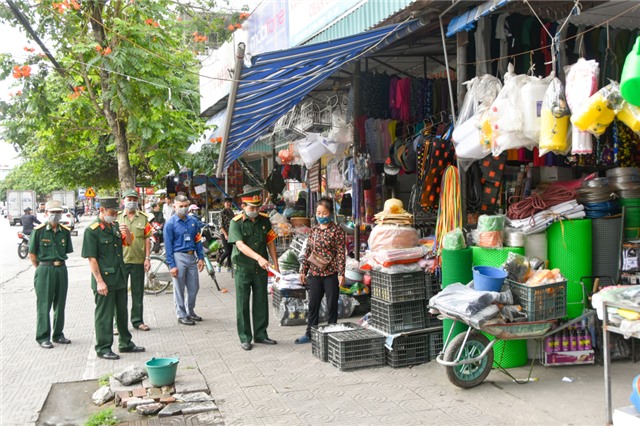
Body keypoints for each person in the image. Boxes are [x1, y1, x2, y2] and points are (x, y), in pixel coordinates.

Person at [82, 197, 145, 360]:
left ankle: (126, 343)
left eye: (116, 212)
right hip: (105, 279)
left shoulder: (115, 226)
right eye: (111, 212)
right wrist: (99, 281)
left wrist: (127, 234)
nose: (115, 215)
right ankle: (103, 347)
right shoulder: (92, 230)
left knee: (122, 313)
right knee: (105, 315)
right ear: (102, 210)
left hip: (120, 276)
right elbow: (92, 259)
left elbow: (129, 243)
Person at [228, 189, 280, 351]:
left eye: (258, 208)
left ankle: (261, 334)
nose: (255, 211)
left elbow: (270, 242)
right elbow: (240, 245)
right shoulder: (235, 222)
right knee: (243, 302)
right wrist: (258, 257)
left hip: (261, 268)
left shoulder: (264, 220)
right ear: (243, 206)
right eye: (251, 208)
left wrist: (276, 266)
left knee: (261, 301)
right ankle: (245, 337)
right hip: (243, 267)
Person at [295, 197, 346, 344]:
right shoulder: (314, 230)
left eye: (324, 213)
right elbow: (308, 251)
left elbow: (341, 253)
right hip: (315, 274)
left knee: (332, 305)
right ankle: (310, 333)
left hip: (331, 274)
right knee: (313, 304)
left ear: (330, 213)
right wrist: (303, 271)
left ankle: (332, 333)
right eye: (318, 212)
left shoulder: (337, 231)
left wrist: (341, 274)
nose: (321, 216)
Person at [28, 200, 73, 349]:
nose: (56, 215)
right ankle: (43, 337)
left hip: (61, 269)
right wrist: (41, 268)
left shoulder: (65, 231)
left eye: (58, 212)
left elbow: (66, 250)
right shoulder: (39, 231)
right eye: (53, 212)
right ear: (46, 213)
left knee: (60, 304)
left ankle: (58, 334)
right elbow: (32, 254)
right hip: (45, 269)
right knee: (44, 304)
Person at [163, 194, 205, 326]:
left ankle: (190, 311)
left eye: (186, 206)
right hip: (178, 256)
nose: (184, 208)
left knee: (194, 287)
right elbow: (168, 246)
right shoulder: (170, 224)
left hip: (192, 256)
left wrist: (201, 257)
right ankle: (181, 314)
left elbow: (197, 240)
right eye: (181, 206)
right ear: (174, 206)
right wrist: (172, 265)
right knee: (179, 288)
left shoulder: (193, 221)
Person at [117, 189, 153, 332]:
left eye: (134, 199)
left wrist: (147, 258)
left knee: (138, 292)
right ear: (123, 201)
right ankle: (118, 323)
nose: (131, 202)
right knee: (120, 293)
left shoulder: (143, 218)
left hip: (138, 260)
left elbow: (147, 239)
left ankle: (137, 321)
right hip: (122, 261)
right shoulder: (117, 218)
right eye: (128, 199)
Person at [218, 198, 235, 272]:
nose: (229, 204)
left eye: (230, 202)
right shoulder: (222, 213)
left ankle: (229, 266)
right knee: (227, 251)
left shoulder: (231, 212)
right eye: (227, 202)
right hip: (224, 233)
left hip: (231, 233)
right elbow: (220, 226)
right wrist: (225, 234)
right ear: (224, 203)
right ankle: (219, 264)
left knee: (231, 251)